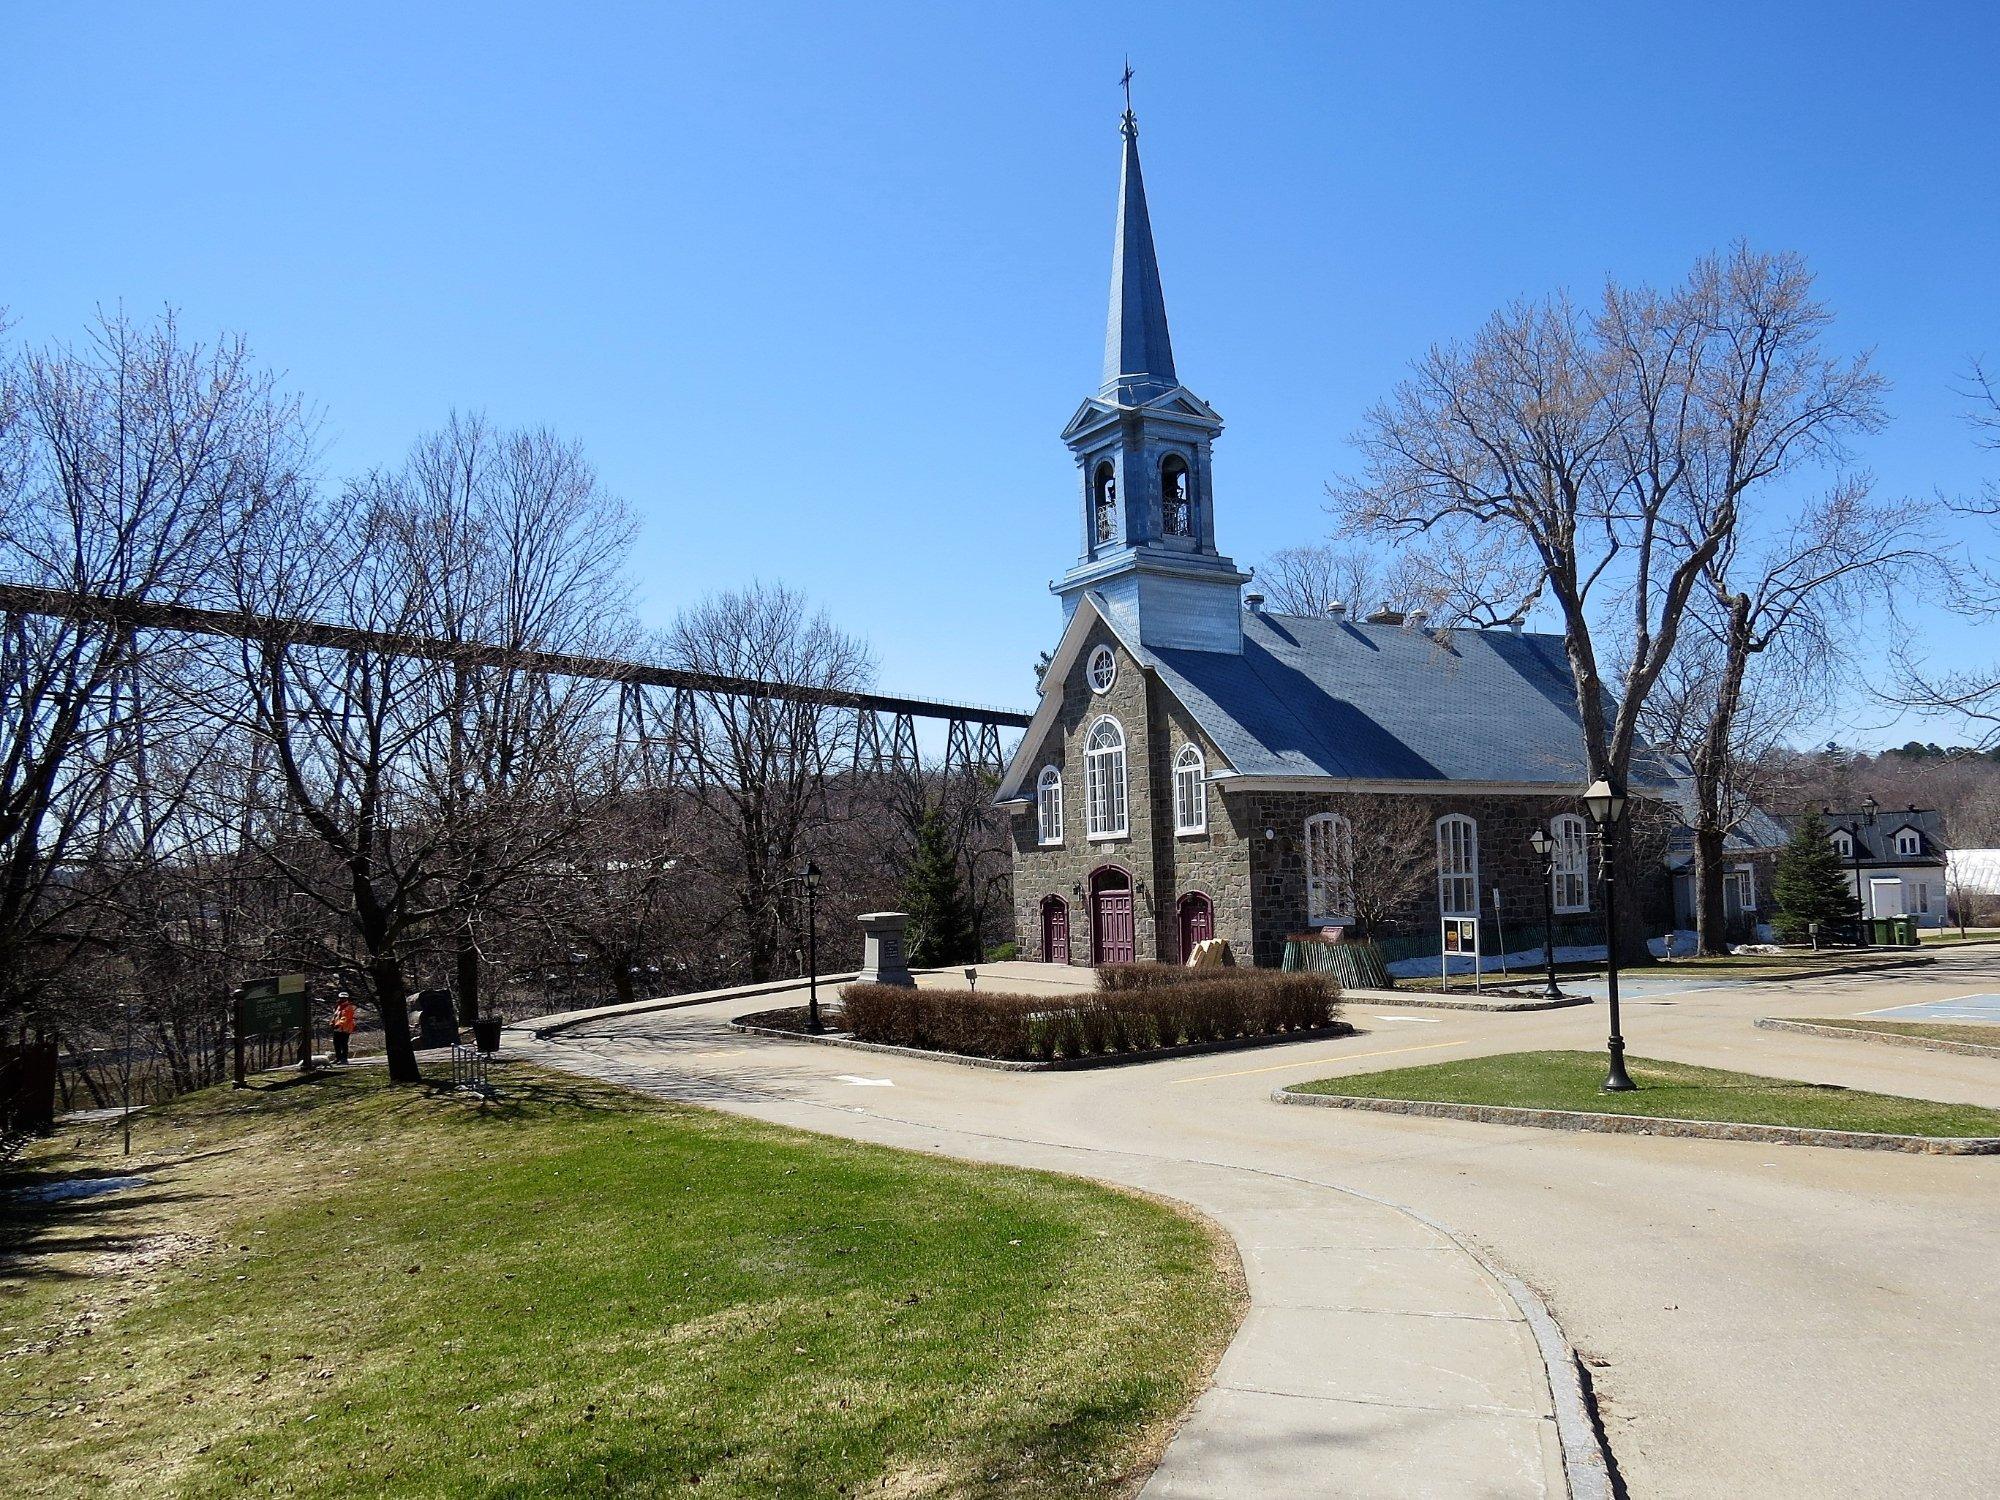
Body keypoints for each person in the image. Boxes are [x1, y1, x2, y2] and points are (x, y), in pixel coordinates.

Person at [331, 992, 357, 1064]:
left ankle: (344, 1059)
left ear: (346, 998)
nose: (342, 999)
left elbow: (345, 1018)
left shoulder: (349, 1007)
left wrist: (338, 1024)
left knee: (343, 1044)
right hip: (337, 1028)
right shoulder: (338, 1006)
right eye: (341, 998)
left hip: (345, 1028)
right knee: (336, 1044)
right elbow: (335, 1016)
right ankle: (338, 1058)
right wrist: (332, 1023)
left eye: (344, 998)